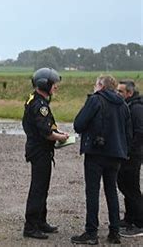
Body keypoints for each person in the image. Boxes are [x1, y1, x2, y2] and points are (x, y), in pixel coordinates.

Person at [71, 75, 132, 245]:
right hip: (116, 154)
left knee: (92, 192)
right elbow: (128, 133)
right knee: (111, 192)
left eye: (96, 84)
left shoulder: (96, 100)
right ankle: (114, 232)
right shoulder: (123, 104)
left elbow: (79, 124)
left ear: (101, 86)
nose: (94, 86)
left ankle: (91, 232)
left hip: (96, 153)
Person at [22, 68, 69, 240]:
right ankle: (31, 226)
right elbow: (46, 132)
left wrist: (58, 133)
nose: (56, 87)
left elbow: (47, 127)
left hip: (40, 150)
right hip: (40, 151)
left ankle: (41, 221)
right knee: (38, 189)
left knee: (43, 188)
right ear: (45, 84)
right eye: (53, 84)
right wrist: (62, 137)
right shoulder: (39, 105)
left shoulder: (36, 100)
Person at [117, 80, 143, 237]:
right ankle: (129, 217)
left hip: (133, 155)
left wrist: (130, 151)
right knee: (124, 185)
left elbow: (140, 132)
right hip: (125, 154)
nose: (117, 94)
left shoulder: (137, 108)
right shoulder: (127, 106)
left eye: (120, 91)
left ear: (129, 93)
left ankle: (140, 222)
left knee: (132, 188)